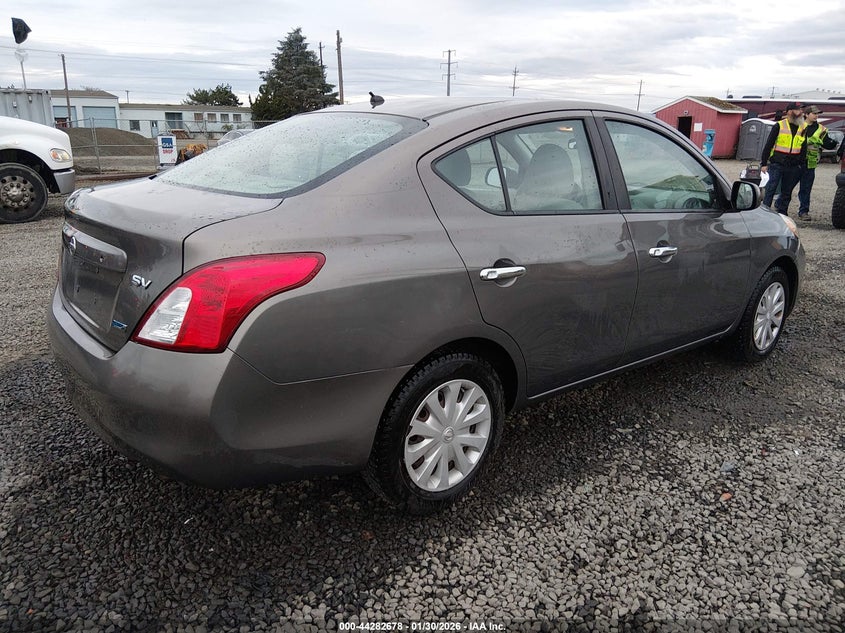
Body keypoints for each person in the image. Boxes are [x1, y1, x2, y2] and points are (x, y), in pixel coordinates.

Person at [761, 102, 807, 216]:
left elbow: (803, 147)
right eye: (798, 110)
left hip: (793, 165)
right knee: (771, 189)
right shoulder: (779, 125)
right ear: (790, 112)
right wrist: (764, 163)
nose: (801, 112)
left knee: (787, 192)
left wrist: (801, 164)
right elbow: (768, 145)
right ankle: (765, 212)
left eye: (801, 109)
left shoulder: (803, 127)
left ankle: (782, 213)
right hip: (777, 163)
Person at [797, 105, 839, 221]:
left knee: (806, 189)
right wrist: (807, 141)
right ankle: (781, 209)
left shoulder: (821, 129)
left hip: (810, 163)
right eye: (814, 113)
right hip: (795, 161)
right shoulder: (799, 126)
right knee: (787, 187)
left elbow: (826, 143)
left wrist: (833, 144)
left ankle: (803, 211)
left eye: (817, 114)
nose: (816, 116)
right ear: (806, 114)